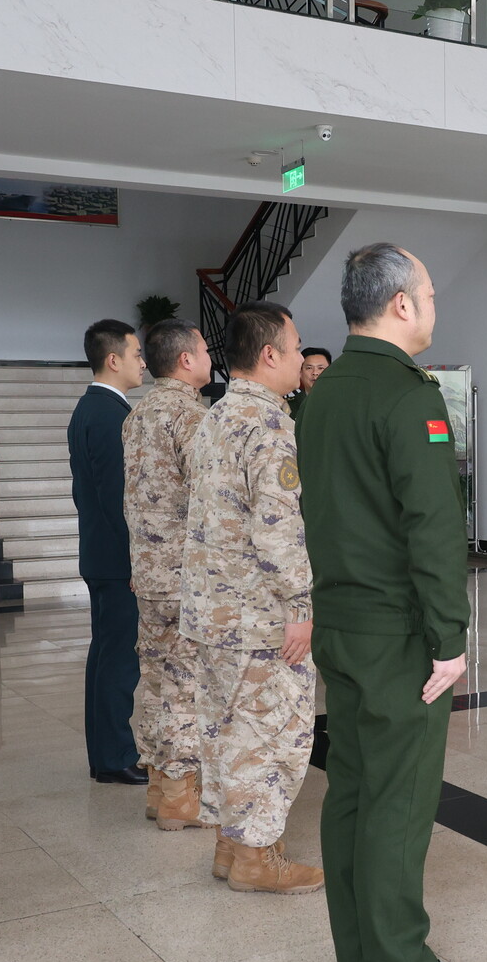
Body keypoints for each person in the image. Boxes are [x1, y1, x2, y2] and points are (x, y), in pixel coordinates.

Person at [299, 243, 483, 962]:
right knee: (399, 799)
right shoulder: (410, 395)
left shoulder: (326, 390)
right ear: (401, 304)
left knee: (351, 787)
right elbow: (433, 528)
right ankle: (400, 960)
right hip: (394, 632)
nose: (435, 307)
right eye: (431, 295)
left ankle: (359, 954)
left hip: (337, 621)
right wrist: (450, 638)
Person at [180, 301, 324, 893]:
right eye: (294, 350)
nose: (298, 360)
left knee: (222, 728)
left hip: (210, 611)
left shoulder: (212, 415)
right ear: (269, 355)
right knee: (275, 735)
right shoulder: (267, 425)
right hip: (258, 617)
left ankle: (230, 846)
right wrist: (300, 607)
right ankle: (257, 857)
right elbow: (277, 528)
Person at [123, 317, 214, 829]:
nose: (207, 356)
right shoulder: (190, 417)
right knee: (186, 684)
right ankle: (181, 796)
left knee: (157, 681)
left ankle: (159, 787)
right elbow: (208, 502)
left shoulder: (137, 415)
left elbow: (135, 497)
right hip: (186, 576)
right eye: (202, 349)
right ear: (185, 360)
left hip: (150, 571)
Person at [68, 319, 147, 787]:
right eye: (136, 354)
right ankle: (115, 755)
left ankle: (105, 754)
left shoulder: (88, 408)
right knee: (119, 659)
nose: (143, 363)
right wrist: (136, 559)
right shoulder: (111, 415)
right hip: (117, 561)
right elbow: (119, 498)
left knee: (105, 655)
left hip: (99, 552)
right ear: (113, 359)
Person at [288, 346, 330, 421]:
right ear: (300, 372)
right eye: (309, 368)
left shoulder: (340, 401)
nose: (315, 373)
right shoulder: (287, 403)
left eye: (320, 368)